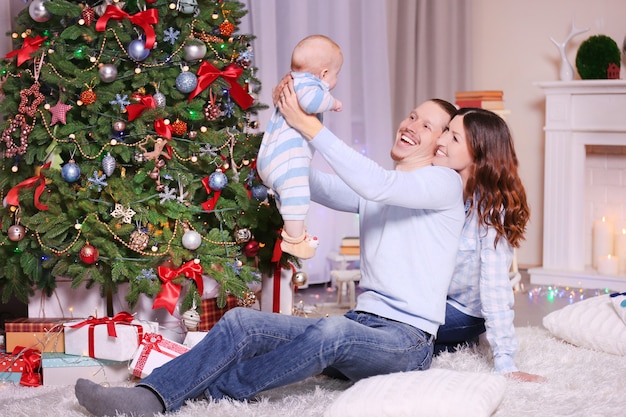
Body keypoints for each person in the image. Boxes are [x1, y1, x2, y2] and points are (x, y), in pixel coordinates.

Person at [73, 91, 465, 416]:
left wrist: (309, 126)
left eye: (426, 126)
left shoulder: (443, 184)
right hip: (363, 325)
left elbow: (376, 184)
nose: (411, 125)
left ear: (439, 144)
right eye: (412, 116)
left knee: (332, 330)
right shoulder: (384, 187)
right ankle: (149, 398)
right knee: (242, 322)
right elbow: (316, 185)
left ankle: (222, 389)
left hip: (406, 342)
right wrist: (277, 149)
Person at [431, 107, 546, 383]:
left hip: (463, 312)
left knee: (396, 333)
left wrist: (505, 361)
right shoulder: (439, 188)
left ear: (478, 155)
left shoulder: (492, 211)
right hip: (432, 301)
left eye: (454, 138)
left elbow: (495, 286)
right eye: (446, 130)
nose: (441, 140)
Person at [257, 34, 344, 259]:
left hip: (271, 158)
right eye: (336, 75)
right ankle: (294, 240)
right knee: (298, 194)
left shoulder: (292, 82)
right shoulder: (309, 84)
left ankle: (295, 231)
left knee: (289, 195)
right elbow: (311, 102)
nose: (335, 81)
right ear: (324, 73)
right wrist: (333, 103)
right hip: (287, 158)